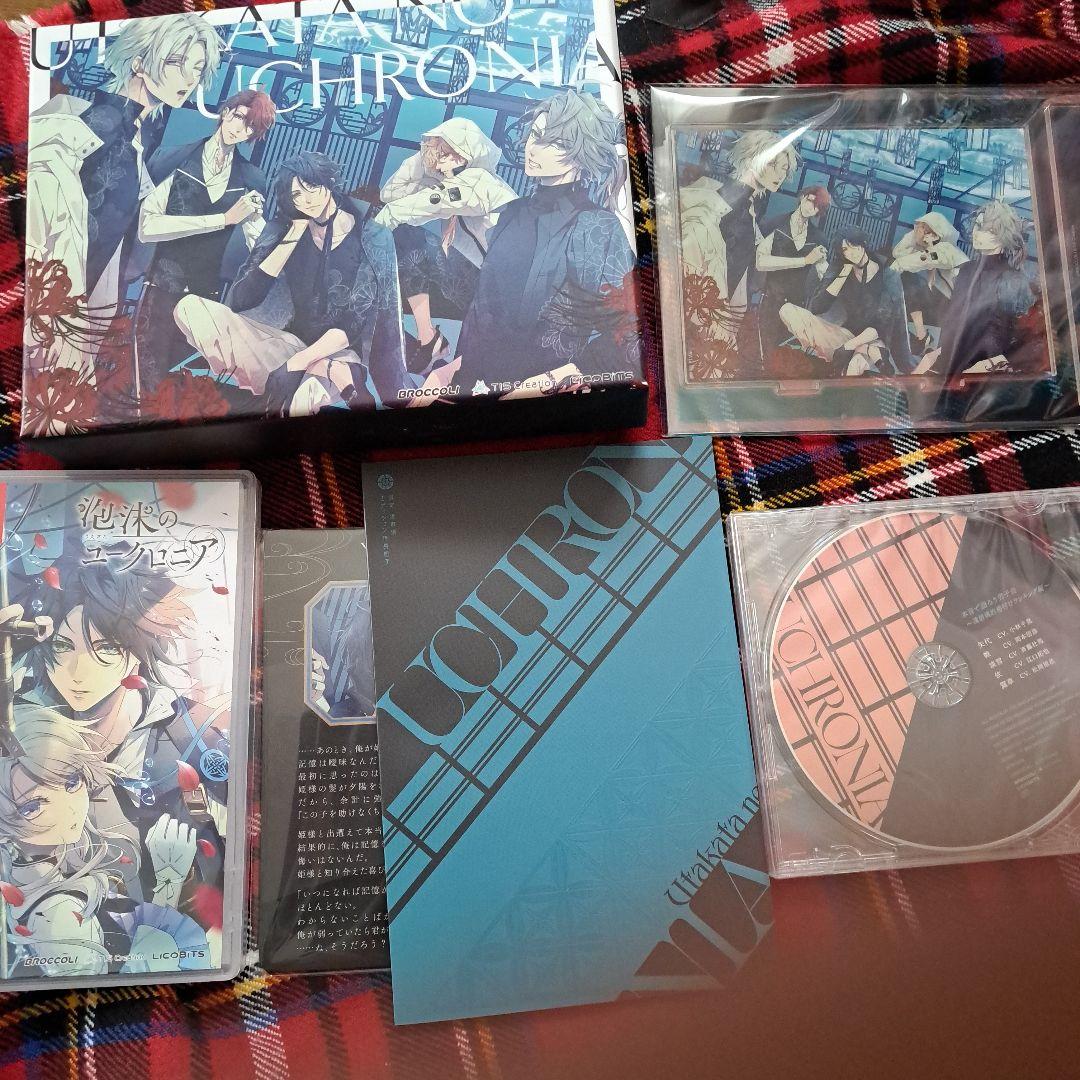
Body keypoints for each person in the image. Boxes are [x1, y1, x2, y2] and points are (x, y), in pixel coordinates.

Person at [11, 554, 228, 910]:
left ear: (136, 649)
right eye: (63, 646)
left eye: (106, 648)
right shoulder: (21, 724)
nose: (78, 670)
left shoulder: (190, 736)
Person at [24, 14, 223, 377]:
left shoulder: (136, 138)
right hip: (50, 302)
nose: (189, 78)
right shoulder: (99, 127)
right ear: (139, 64)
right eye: (176, 62)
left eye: (197, 68)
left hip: (79, 303)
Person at [172, 151, 409, 415]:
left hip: (337, 351)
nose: (306, 200)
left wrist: (300, 362)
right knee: (189, 308)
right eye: (296, 194)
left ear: (329, 182)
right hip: (285, 345)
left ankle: (326, 369)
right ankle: (328, 371)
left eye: (311, 187)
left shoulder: (371, 236)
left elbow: (354, 322)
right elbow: (243, 299)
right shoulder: (283, 228)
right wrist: (294, 232)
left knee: (300, 403)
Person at [438, 89, 638, 397]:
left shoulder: (596, 226)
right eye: (535, 135)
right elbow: (484, 307)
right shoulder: (512, 212)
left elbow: (631, 327)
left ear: (581, 153)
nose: (534, 148)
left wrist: (564, 375)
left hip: (550, 397)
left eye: (553, 142)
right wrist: (455, 371)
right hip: (474, 390)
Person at [0, 704, 209, 978]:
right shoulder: (57, 915)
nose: (69, 809)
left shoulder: (36, 875)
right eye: (33, 806)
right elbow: (123, 983)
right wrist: (169, 879)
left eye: (71, 782)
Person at [134, 89, 277, 391]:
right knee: (146, 380)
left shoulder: (251, 178)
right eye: (239, 117)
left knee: (187, 384)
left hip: (205, 298)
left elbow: (258, 246)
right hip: (161, 288)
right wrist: (223, 220)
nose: (240, 128)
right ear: (226, 113)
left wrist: (262, 228)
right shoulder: (175, 158)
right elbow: (146, 226)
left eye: (250, 126)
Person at [375, 118, 518, 373]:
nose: (438, 163)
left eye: (444, 154)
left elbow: (404, 209)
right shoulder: (454, 183)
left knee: (408, 237)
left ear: (465, 154)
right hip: (481, 283)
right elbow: (390, 195)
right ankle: (428, 341)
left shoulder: (477, 182)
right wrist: (422, 158)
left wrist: (372, 234)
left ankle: (430, 341)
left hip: (501, 293)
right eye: (436, 155)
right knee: (406, 246)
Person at [679, 130, 798, 364]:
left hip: (722, 310)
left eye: (784, 168)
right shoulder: (727, 204)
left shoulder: (750, 206)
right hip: (703, 312)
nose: (780, 174)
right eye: (772, 164)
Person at [913, 200, 1043, 377]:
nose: (975, 231)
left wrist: (990, 365)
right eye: (977, 225)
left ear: (1000, 235)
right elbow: (957, 324)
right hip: (951, 369)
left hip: (986, 377)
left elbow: (1025, 341)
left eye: (983, 227)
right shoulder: (967, 270)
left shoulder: (1013, 280)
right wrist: (935, 356)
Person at [779, 226, 913, 376]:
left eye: (854, 245)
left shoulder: (886, 273)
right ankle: (818, 354)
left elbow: (882, 324)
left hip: (871, 339)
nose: (852, 252)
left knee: (854, 367)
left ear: (862, 244)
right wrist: (843, 273)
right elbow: (817, 307)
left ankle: (861, 355)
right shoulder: (841, 268)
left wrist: (850, 346)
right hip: (846, 335)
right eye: (845, 249)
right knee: (787, 310)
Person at [755, 185, 830, 364]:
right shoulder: (776, 224)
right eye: (810, 200)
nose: (811, 208)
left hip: (797, 306)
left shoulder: (818, 238)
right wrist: (805, 260)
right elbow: (760, 262)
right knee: (763, 352)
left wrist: (824, 267)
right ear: (802, 197)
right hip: (771, 300)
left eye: (817, 207)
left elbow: (825, 276)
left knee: (785, 357)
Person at [890, 211, 968, 351]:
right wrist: (913, 236)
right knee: (908, 279)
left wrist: (893, 269)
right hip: (950, 300)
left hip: (964, 306)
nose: (920, 232)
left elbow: (925, 259)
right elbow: (897, 253)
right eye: (920, 228)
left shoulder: (945, 249)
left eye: (925, 230)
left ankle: (925, 339)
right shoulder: (932, 249)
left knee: (908, 278)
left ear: (936, 235)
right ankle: (922, 336)